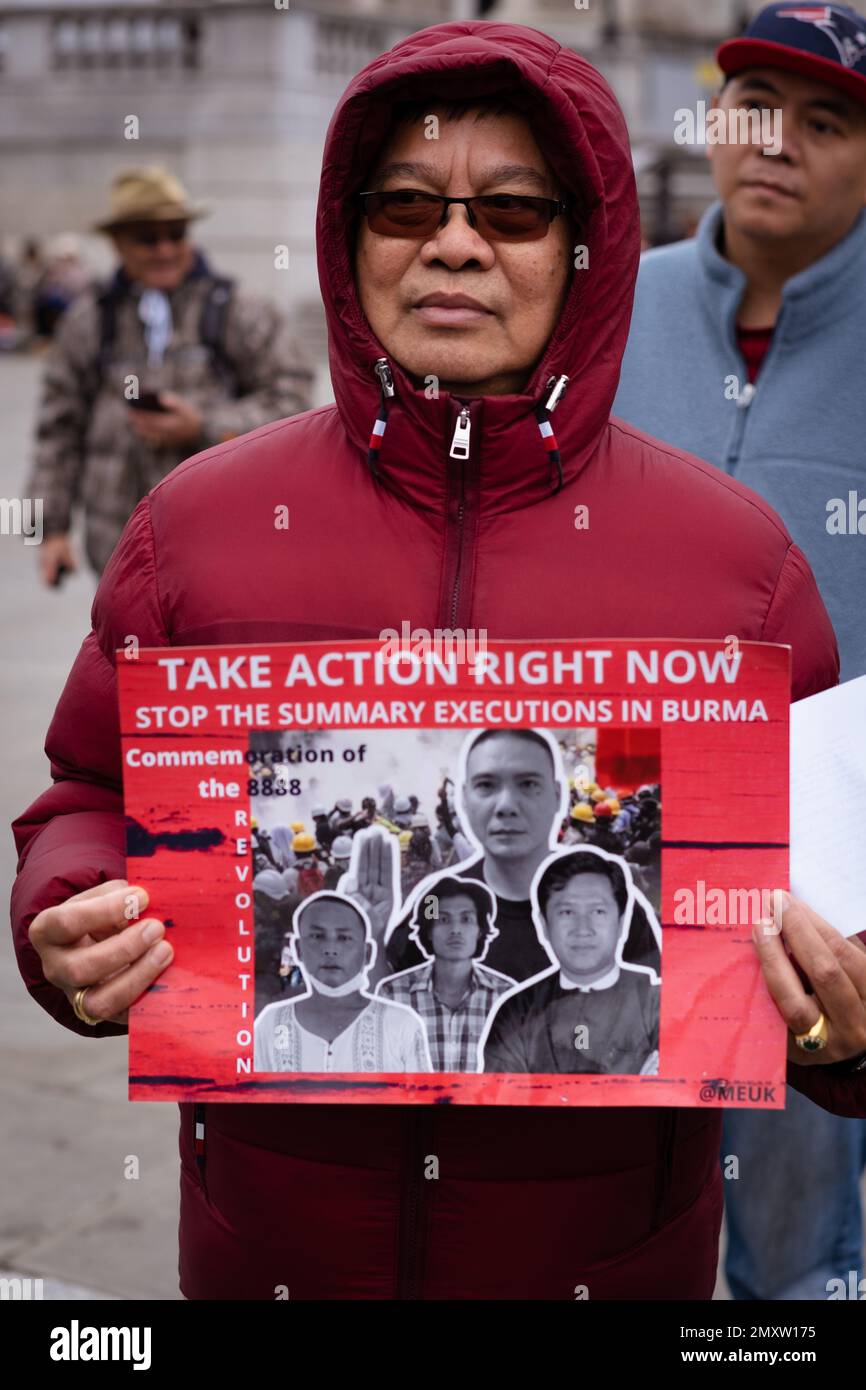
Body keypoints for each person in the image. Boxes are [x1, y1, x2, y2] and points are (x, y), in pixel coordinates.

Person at [11, 22, 866, 1302]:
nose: (452, 243)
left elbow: (821, 897)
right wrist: (64, 930)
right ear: (348, 233)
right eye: (404, 204)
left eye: (512, 211)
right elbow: (86, 792)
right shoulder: (195, 523)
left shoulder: (735, 563)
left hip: (603, 1259)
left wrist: (837, 1027)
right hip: (273, 1245)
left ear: (584, 247)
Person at [613, 0, 866, 1301]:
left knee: (794, 1231)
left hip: (828, 862)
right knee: (607, 1207)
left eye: (825, 121)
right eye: (754, 109)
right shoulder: (613, 309)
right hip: (612, 832)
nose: (778, 145)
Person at [26, 164, 313, 583]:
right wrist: (50, 530)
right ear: (117, 243)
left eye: (176, 235)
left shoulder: (240, 310)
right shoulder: (87, 323)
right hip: (118, 555)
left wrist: (206, 426)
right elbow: (58, 430)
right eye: (148, 238)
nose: (165, 249)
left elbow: (295, 403)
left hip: (223, 547)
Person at [387, 728, 661, 982]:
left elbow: (660, 1015)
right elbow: (388, 997)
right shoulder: (435, 900)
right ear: (465, 799)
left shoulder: (615, 902)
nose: (506, 805)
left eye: (528, 784)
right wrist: (372, 934)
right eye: (486, 785)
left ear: (557, 796)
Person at [481, 850, 660, 1075]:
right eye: (566, 912)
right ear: (543, 925)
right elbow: (502, 1100)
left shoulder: (658, 1005)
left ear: (621, 922)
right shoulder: (516, 1012)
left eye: (598, 911)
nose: (582, 929)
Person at [254, 894, 432, 1074]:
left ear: (367, 953)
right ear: (298, 949)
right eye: (317, 936)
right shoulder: (272, 1023)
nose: (330, 949)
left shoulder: (402, 1025)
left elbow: (424, 1098)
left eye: (344, 938)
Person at [377, 875, 513, 1071]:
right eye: (443, 919)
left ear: (480, 930)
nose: (455, 929)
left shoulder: (506, 997)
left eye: (466, 919)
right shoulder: (395, 994)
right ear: (429, 931)